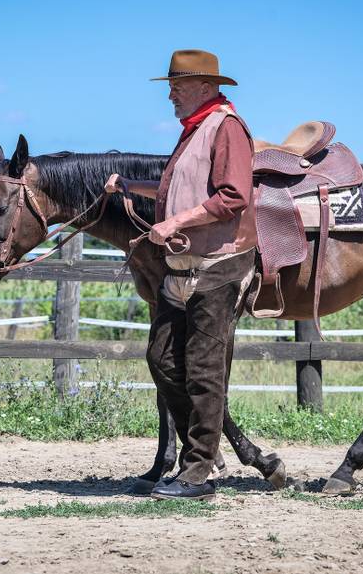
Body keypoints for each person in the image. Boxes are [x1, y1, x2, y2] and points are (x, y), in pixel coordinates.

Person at [105, 49, 257, 500]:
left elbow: (233, 197)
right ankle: (200, 454)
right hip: (185, 266)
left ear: (207, 88)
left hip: (219, 262)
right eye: (171, 86)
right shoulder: (193, 132)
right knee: (163, 358)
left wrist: (175, 223)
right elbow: (178, 188)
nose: (170, 94)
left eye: (179, 85)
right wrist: (132, 189)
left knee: (205, 369)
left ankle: (197, 474)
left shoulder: (226, 127)